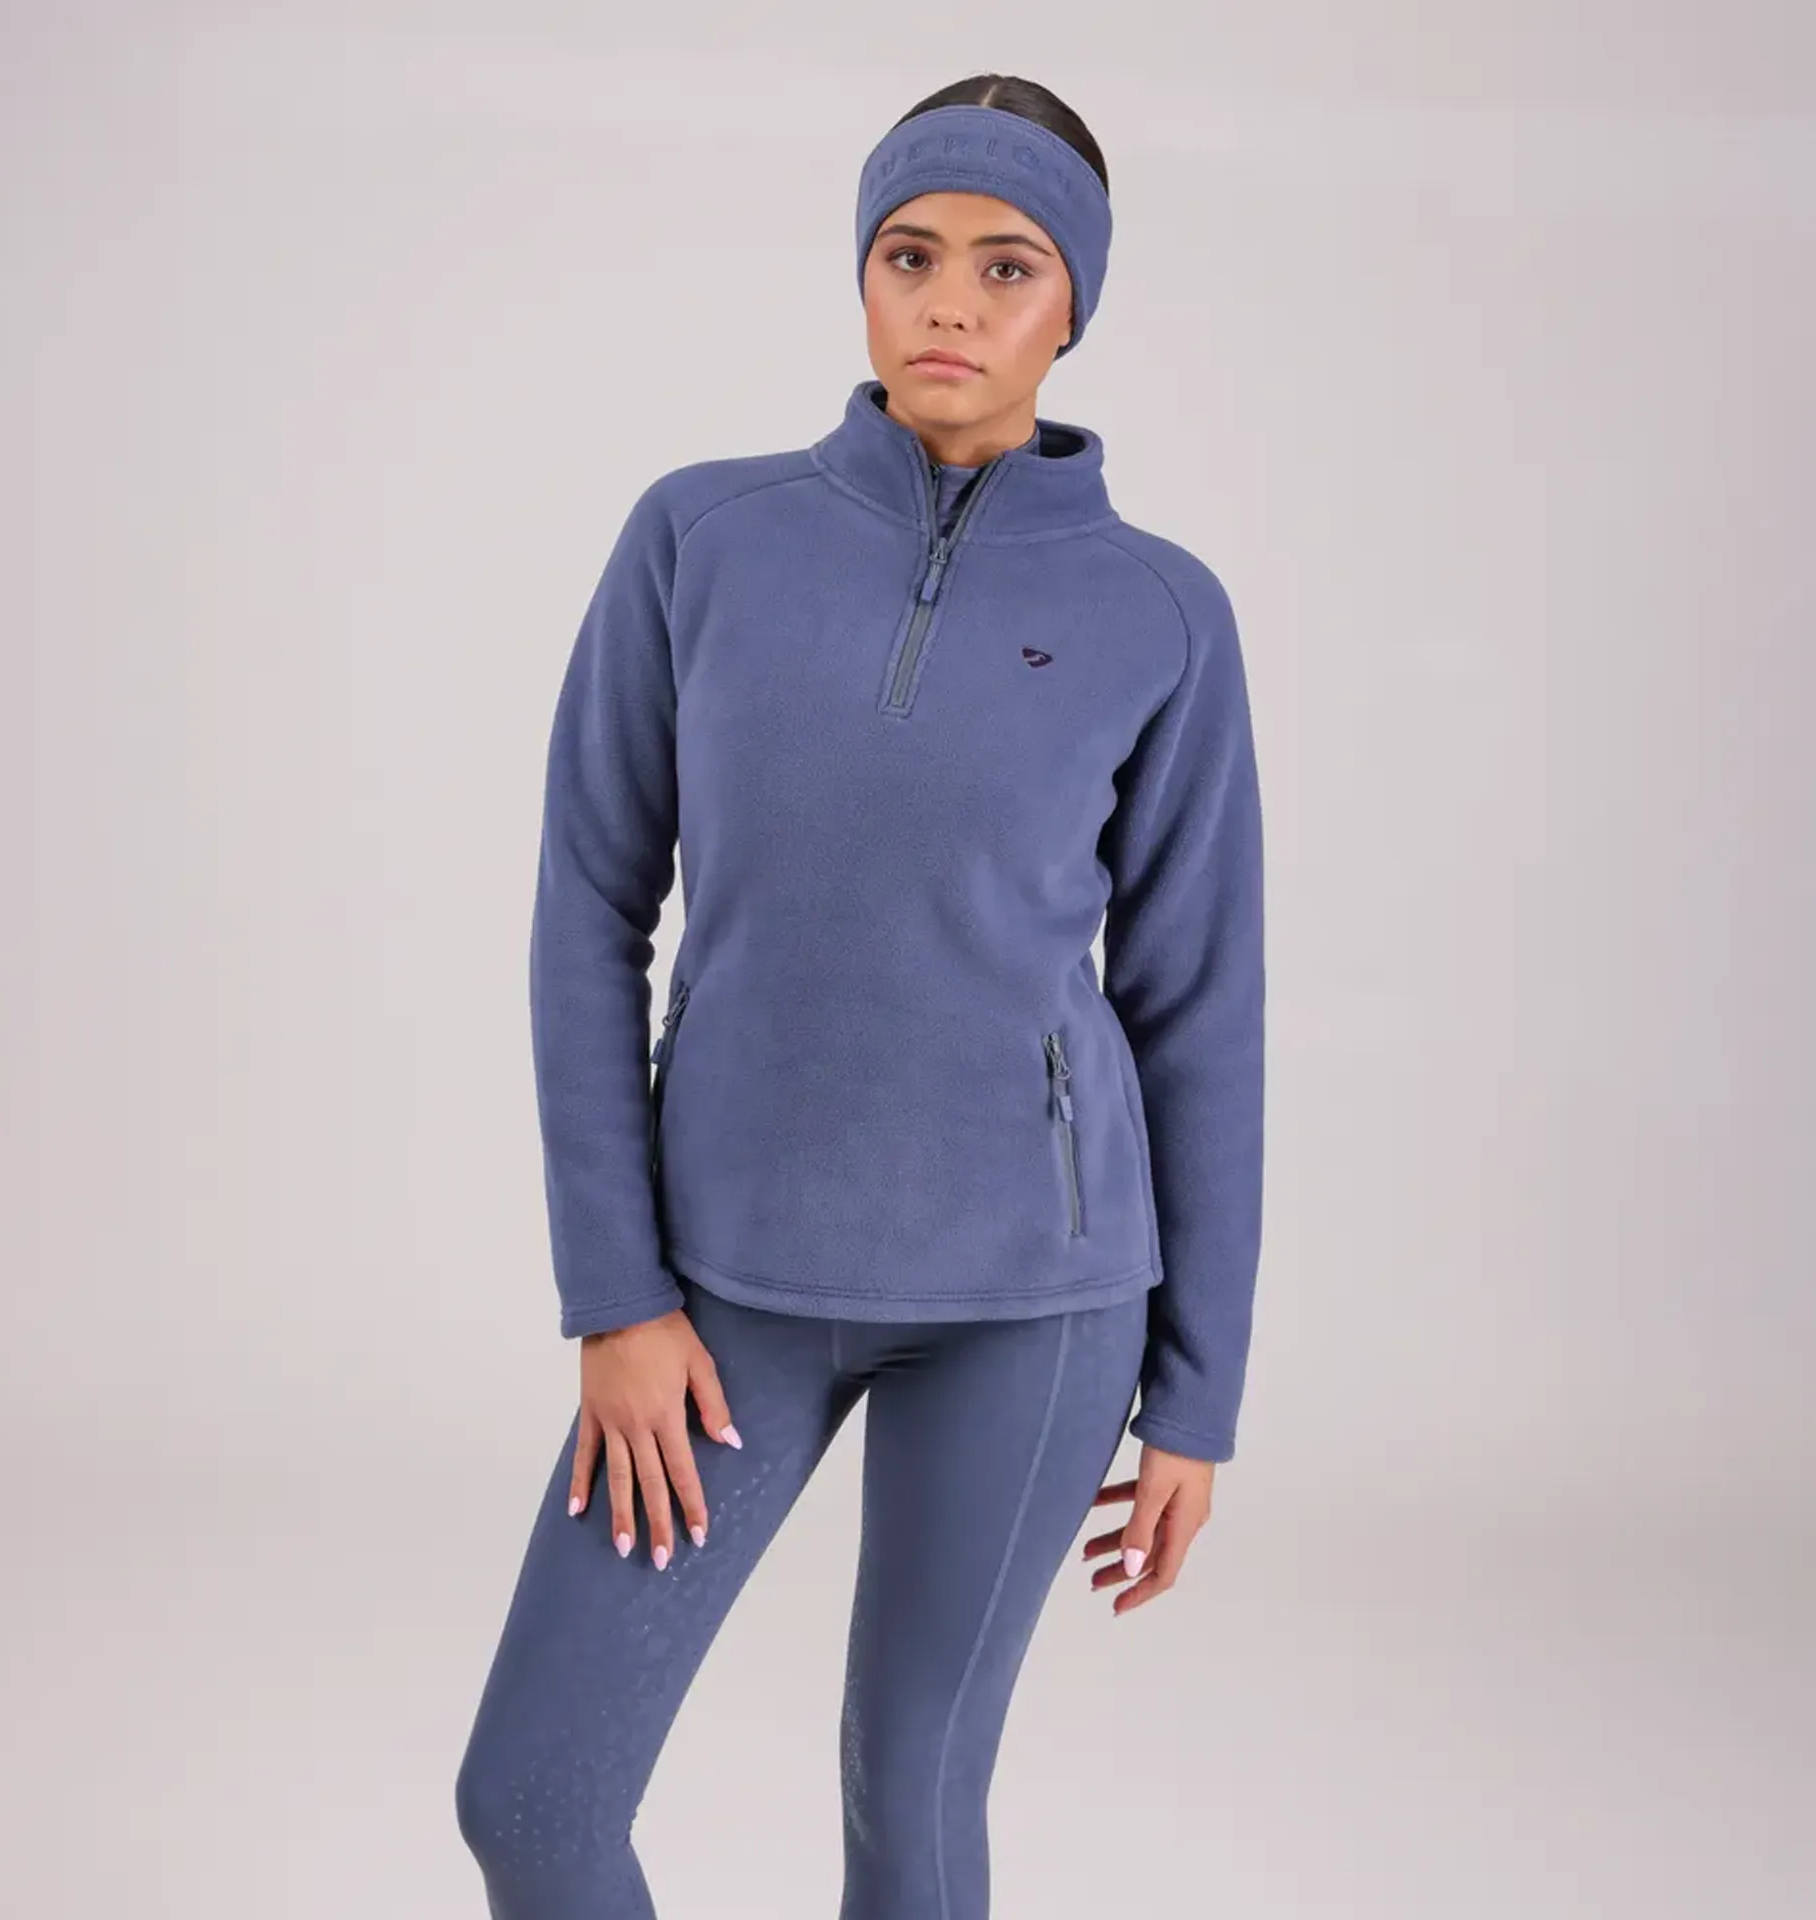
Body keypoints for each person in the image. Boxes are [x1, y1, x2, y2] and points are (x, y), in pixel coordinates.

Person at [454, 71, 1267, 1919]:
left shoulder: (1161, 611)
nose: (949, 303)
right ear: (862, 276)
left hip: (1036, 1307)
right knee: (534, 1798)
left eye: (1007, 265)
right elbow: (588, 909)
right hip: (718, 1296)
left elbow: (1200, 1004)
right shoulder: (702, 538)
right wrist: (615, 1292)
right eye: (910, 256)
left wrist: (1199, 1396)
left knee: (913, 1801)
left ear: (1075, 306)